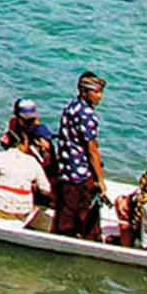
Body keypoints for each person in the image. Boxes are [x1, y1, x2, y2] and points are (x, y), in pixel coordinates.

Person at [49, 73, 107, 238]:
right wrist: (100, 179)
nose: (99, 96)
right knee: (83, 213)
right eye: (96, 92)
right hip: (79, 172)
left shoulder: (71, 107)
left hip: (66, 168)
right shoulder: (87, 114)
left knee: (65, 211)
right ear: (84, 92)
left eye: (100, 92)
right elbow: (91, 149)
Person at [0, 128, 51, 227]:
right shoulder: (33, 161)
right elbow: (46, 189)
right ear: (22, 144)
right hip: (24, 212)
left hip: (1, 209)